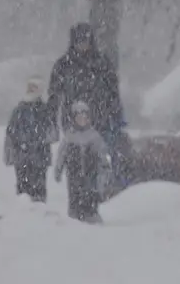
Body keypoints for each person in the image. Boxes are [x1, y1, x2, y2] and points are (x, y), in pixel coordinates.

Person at [48, 22, 128, 190]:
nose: (82, 45)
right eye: (79, 41)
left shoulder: (101, 63)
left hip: (99, 119)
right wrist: (52, 119)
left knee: (96, 157)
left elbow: (112, 92)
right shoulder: (63, 65)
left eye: (85, 41)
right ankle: (77, 194)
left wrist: (116, 114)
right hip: (71, 120)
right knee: (75, 160)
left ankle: (97, 192)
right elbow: (54, 95)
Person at [55, 100, 112, 224]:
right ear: (74, 119)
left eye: (84, 117)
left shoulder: (94, 137)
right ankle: (74, 216)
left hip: (90, 174)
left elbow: (103, 156)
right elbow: (61, 154)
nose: (82, 120)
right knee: (75, 196)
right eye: (79, 117)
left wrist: (105, 169)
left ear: (88, 118)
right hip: (73, 174)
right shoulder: (69, 137)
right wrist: (58, 170)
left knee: (90, 195)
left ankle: (91, 215)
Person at [3, 77, 56, 202]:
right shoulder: (19, 110)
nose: (31, 90)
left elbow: (51, 132)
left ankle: (39, 212)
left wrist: (39, 142)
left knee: (39, 189)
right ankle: (24, 213)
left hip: (40, 156)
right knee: (23, 190)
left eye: (35, 87)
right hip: (22, 156)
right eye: (30, 87)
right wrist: (10, 152)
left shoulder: (45, 110)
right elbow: (11, 132)